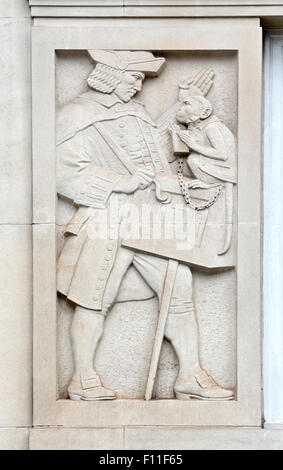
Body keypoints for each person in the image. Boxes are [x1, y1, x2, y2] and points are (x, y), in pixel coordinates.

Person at [56, 50, 234, 401]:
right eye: (133, 78)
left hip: (150, 218)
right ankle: (83, 377)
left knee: (180, 292)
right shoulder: (75, 114)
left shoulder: (135, 112)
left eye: (141, 80)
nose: (138, 87)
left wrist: (184, 109)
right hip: (106, 219)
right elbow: (63, 173)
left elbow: (157, 152)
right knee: (93, 300)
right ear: (110, 75)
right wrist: (118, 182)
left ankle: (190, 375)